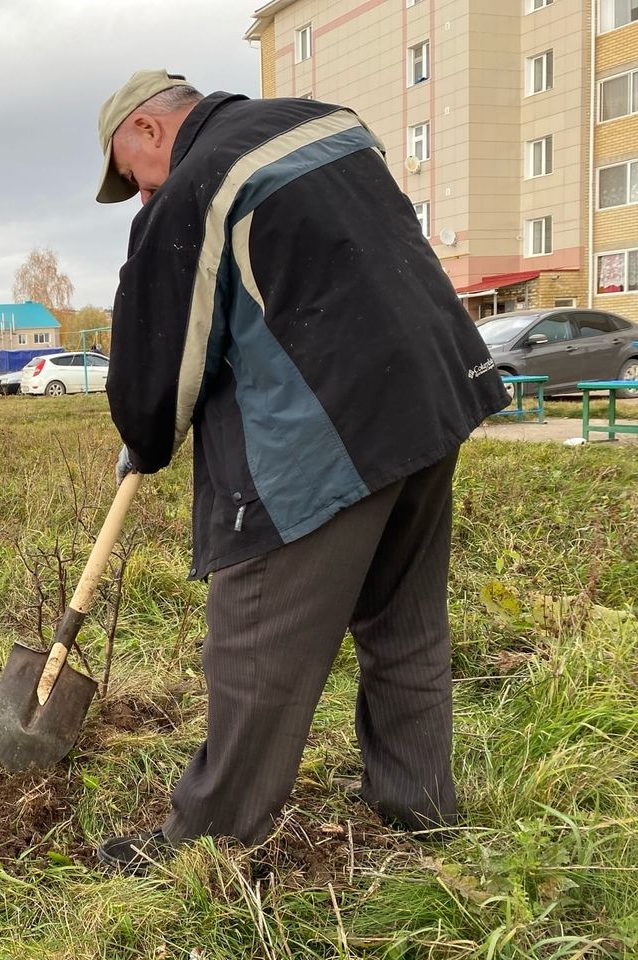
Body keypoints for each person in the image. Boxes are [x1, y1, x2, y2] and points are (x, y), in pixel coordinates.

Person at [92, 72, 508, 871]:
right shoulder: (326, 122)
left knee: (254, 645)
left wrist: (144, 435)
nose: (143, 195)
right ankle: (418, 808)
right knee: (403, 622)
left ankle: (206, 845)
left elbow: (160, 363)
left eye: (132, 175)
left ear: (148, 130)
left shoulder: (198, 187)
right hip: (432, 394)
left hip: (328, 430)